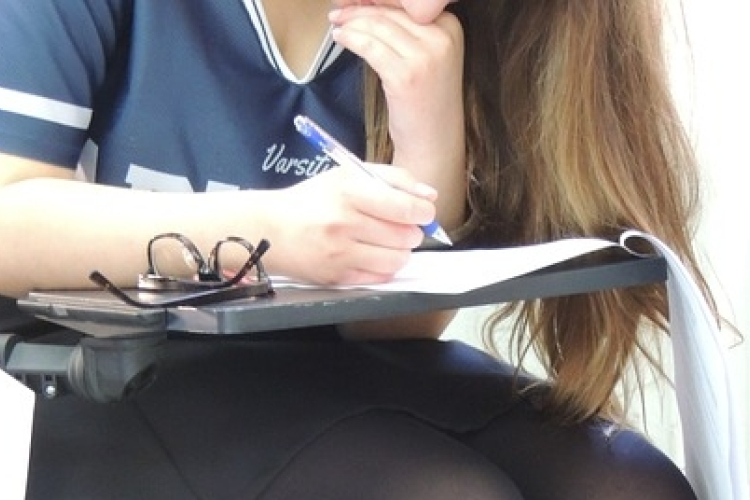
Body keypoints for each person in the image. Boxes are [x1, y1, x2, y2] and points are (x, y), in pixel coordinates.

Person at [0, 0, 710, 498]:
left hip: (335, 370)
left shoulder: (433, 30)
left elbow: (390, 329)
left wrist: (427, 139)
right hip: (126, 376)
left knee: (630, 485)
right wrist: (268, 231)